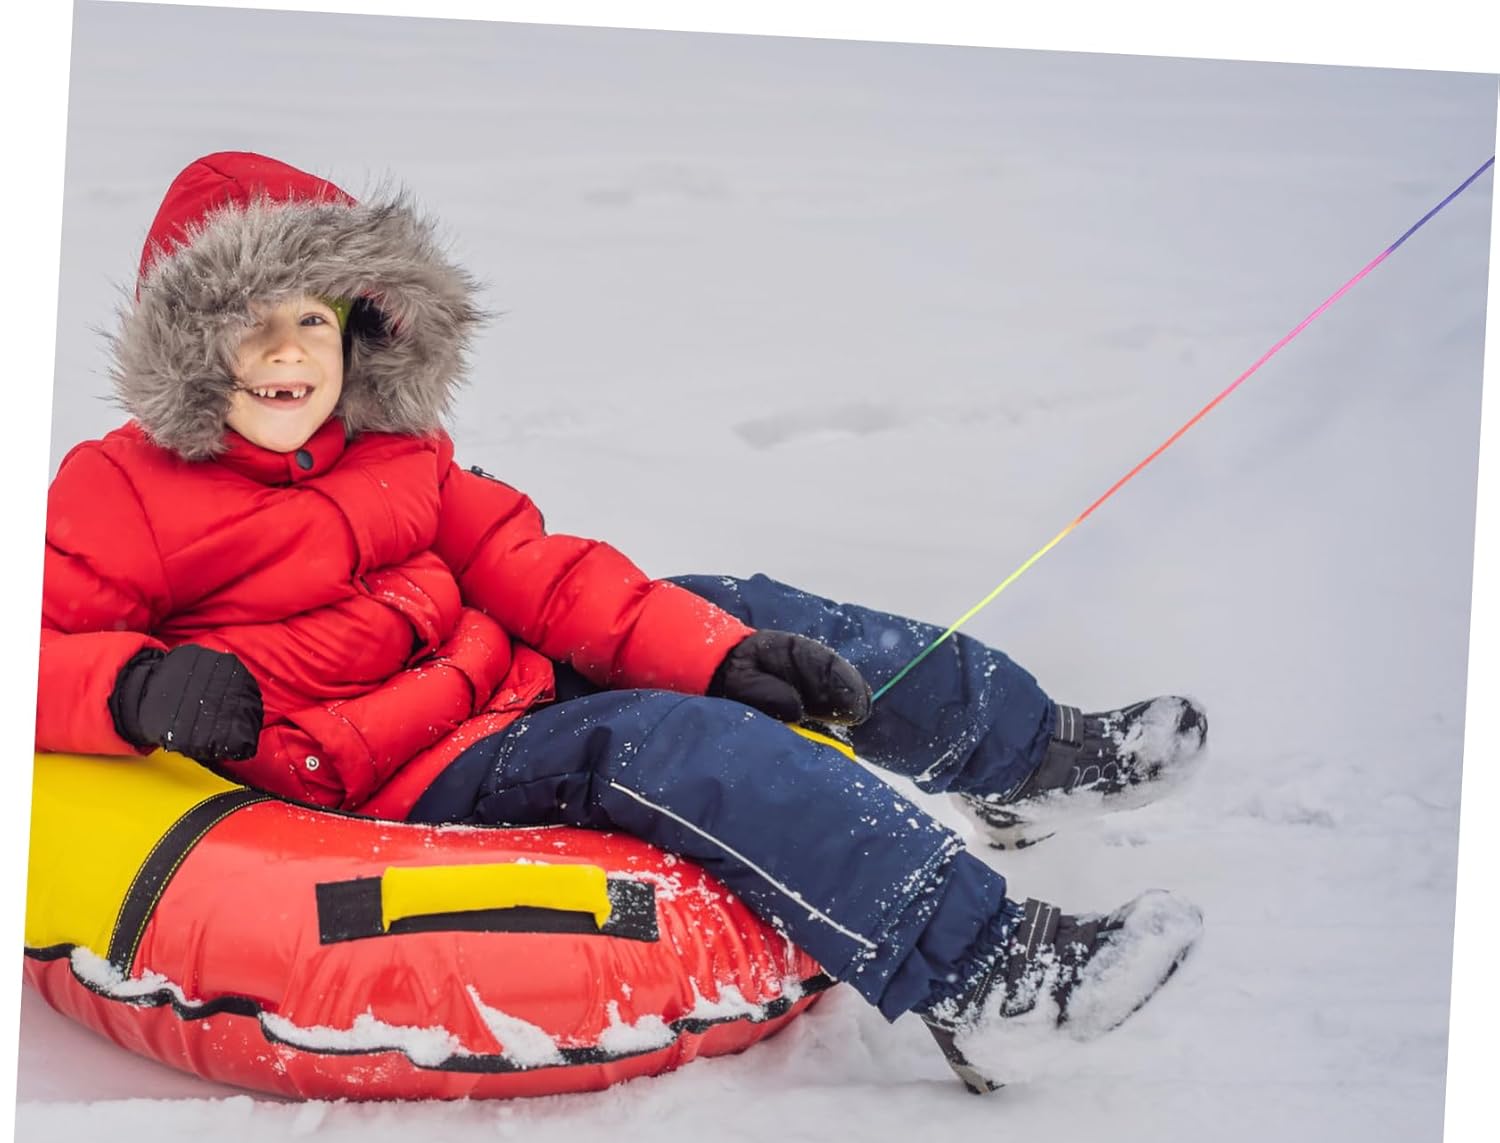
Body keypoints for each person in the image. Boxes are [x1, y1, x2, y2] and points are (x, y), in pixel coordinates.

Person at [37, 152, 1208, 1094]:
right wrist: (135, 690)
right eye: (248, 323)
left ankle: (1031, 754)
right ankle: (989, 977)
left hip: (501, 682)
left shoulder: (398, 452)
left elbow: (534, 570)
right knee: (672, 746)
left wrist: (722, 653)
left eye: (312, 316)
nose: (287, 353)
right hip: (394, 772)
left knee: (743, 611)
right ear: (186, 345)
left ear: (361, 329)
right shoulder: (123, 492)